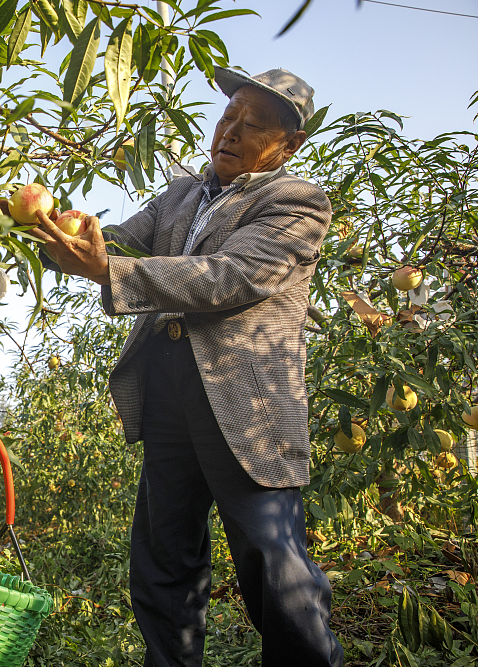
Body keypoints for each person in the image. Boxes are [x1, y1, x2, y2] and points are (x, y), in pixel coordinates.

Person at [32, 67, 344, 667]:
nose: (230, 131)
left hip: (245, 407)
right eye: (228, 116)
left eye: (251, 125)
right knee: (163, 560)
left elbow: (231, 277)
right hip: (170, 396)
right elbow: (118, 244)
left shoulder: (295, 203)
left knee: (274, 568)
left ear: (288, 145)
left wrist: (108, 272)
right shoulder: (180, 195)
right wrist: (45, 229)